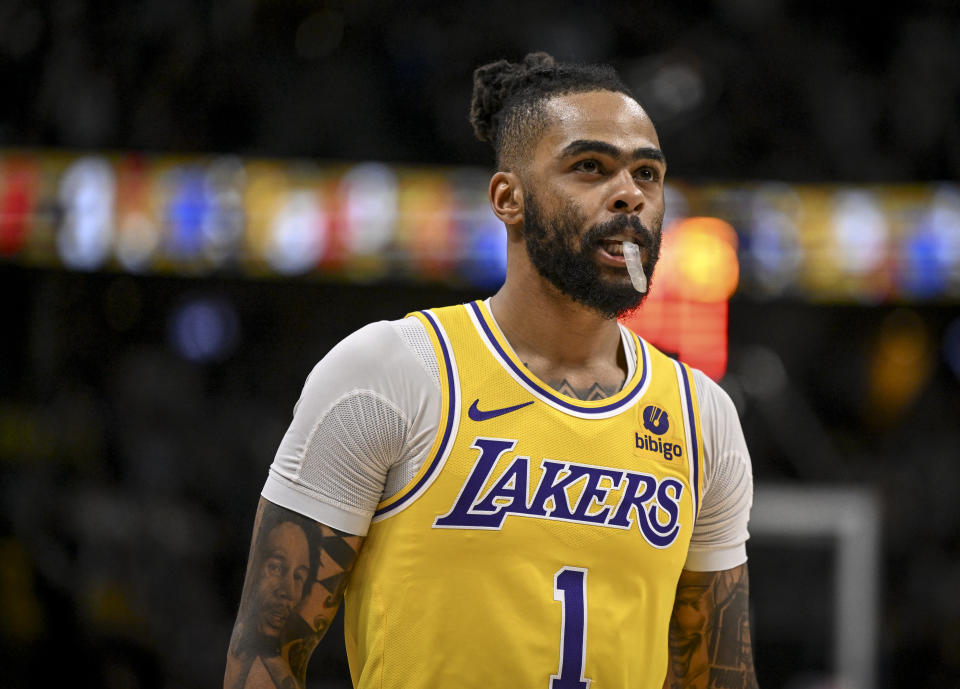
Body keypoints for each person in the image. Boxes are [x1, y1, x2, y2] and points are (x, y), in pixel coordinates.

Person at [225, 52, 758, 689]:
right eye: (590, 167)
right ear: (508, 199)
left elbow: (718, 677)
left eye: (648, 172)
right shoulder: (393, 372)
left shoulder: (703, 417)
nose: (629, 194)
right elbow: (266, 654)